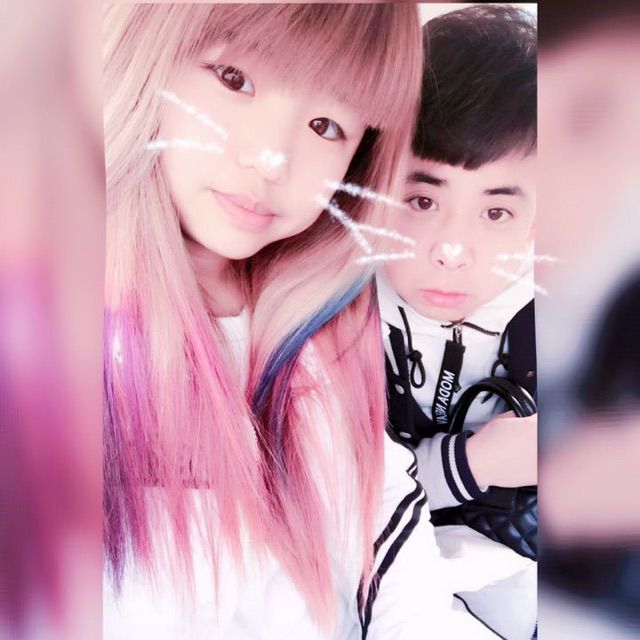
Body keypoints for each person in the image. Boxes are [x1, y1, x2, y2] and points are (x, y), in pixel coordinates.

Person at [102, 4, 489, 639]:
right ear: (151, 55)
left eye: (325, 125)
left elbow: (379, 512)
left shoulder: (320, 324)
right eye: (235, 79)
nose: (272, 159)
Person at [378, 6, 538, 639]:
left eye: (495, 213)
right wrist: (476, 463)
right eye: (421, 200)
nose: (452, 249)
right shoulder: (325, 315)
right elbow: (322, 499)